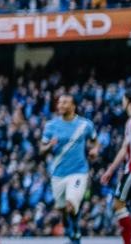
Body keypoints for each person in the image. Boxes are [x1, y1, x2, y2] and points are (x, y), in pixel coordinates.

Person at [40, 94, 99, 244]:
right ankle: (71, 232)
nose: (60, 105)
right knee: (62, 210)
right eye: (59, 102)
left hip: (79, 172)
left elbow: (94, 141)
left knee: (71, 205)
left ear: (73, 106)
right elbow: (41, 150)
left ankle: (76, 235)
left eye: (65, 102)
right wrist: (49, 146)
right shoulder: (51, 125)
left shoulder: (85, 125)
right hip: (58, 174)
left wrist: (94, 150)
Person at [101, 88, 131, 244]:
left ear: (127, 101)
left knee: (118, 204)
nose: (122, 102)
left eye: (123, 99)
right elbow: (124, 148)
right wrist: (110, 170)